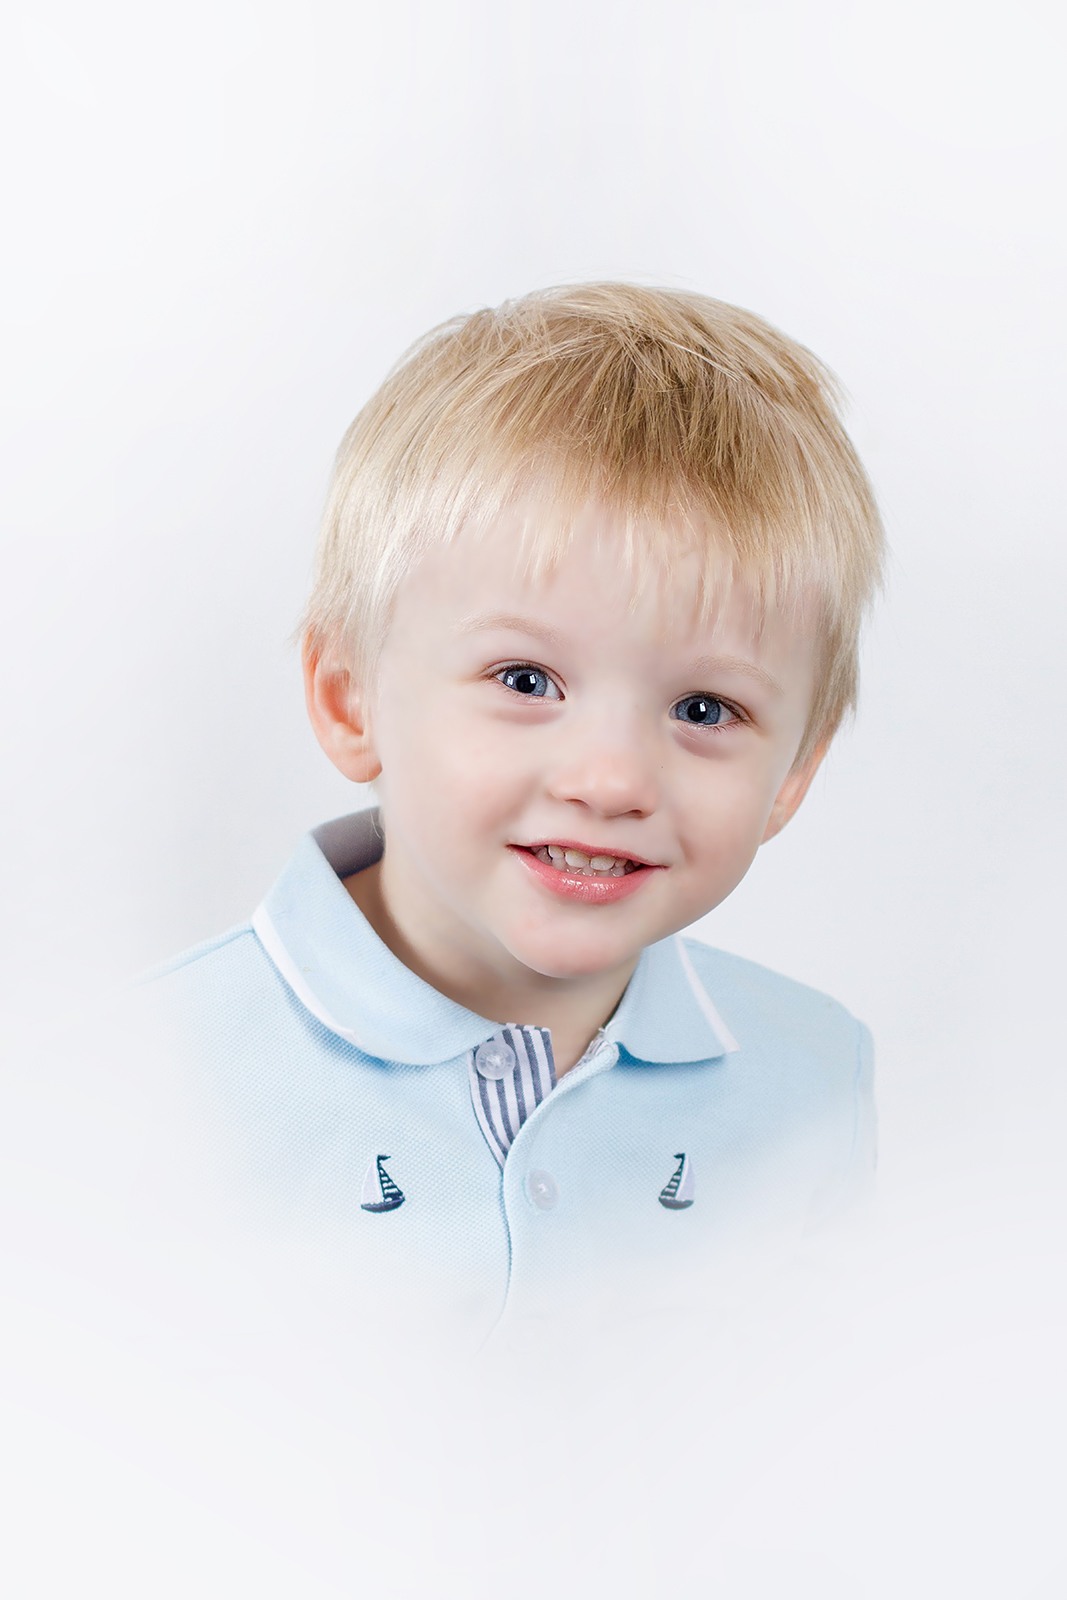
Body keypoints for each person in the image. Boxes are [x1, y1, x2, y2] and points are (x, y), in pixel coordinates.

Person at [134, 283, 884, 1356]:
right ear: (350, 699)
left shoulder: (816, 1073)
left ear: (792, 773)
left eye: (703, 708)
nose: (610, 777)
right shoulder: (146, 1076)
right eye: (525, 679)